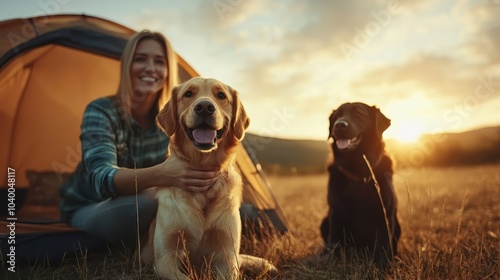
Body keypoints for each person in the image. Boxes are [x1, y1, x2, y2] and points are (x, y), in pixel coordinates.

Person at [59, 30, 220, 248]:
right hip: (90, 205)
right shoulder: (101, 110)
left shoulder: (176, 118)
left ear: (167, 71)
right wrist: (163, 175)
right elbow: (101, 179)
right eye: (140, 59)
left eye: (159, 62)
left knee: (212, 206)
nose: (150, 68)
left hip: (156, 197)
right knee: (147, 204)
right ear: (127, 66)